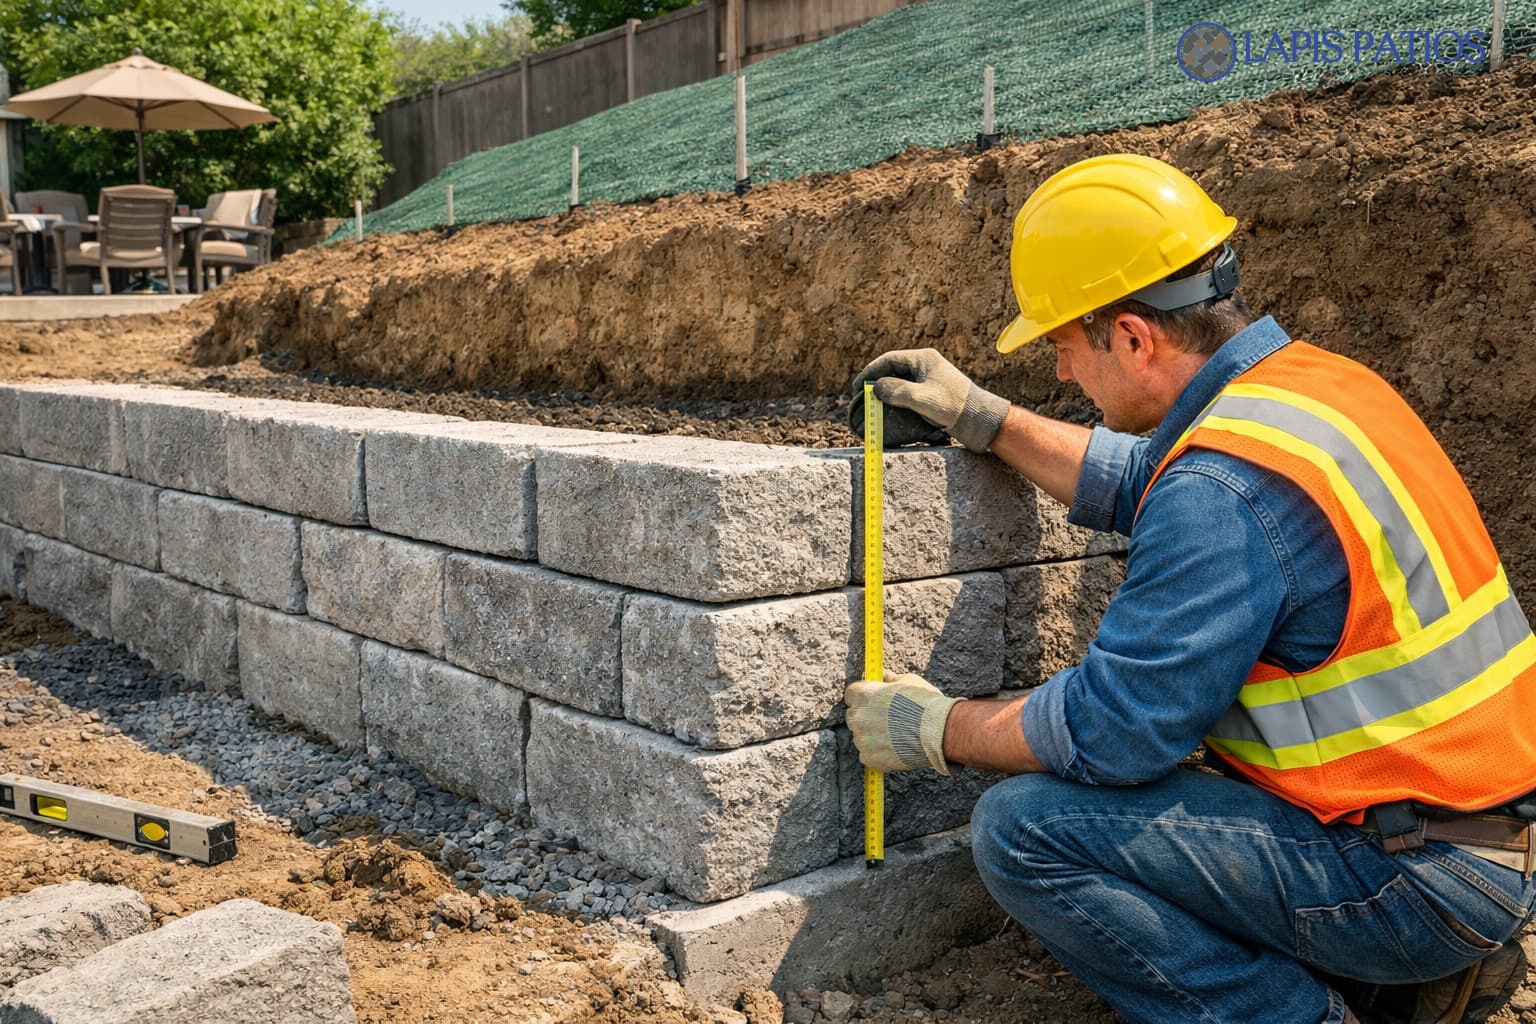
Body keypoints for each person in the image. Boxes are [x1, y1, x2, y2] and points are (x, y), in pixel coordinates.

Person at [844, 153, 1536, 1024]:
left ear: (1134, 337)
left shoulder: (1221, 491)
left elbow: (1115, 731)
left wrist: (936, 728)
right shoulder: (1315, 389)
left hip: (1413, 877)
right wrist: (990, 421)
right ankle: (1401, 981)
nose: (1061, 373)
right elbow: (1156, 478)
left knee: (1025, 829)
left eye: (1063, 345)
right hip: (1484, 833)